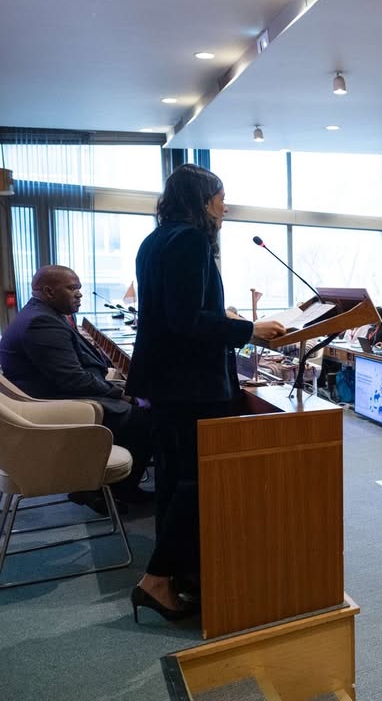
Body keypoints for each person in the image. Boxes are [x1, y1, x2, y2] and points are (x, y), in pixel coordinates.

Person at [126, 164, 287, 622]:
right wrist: (249, 329)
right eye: (220, 197)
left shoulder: (155, 239)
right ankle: (157, 580)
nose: (225, 206)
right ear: (202, 200)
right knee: (197, 485)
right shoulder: (192, 241)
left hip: (167, 384)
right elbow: (186, 319)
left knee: (175, 483)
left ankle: (180, 576)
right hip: (190, 386)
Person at [0, 265, 153, 506]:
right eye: (72, 288)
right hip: (54, 404)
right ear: (48, 291)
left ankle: (102, 484)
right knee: (144, 419)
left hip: (55, 394)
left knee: (140, 409)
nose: (79, 294)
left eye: (79, 288)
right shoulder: (41, 322)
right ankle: (106, 489)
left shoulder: (45, 313)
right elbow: (74, 379)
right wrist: (124, 396)